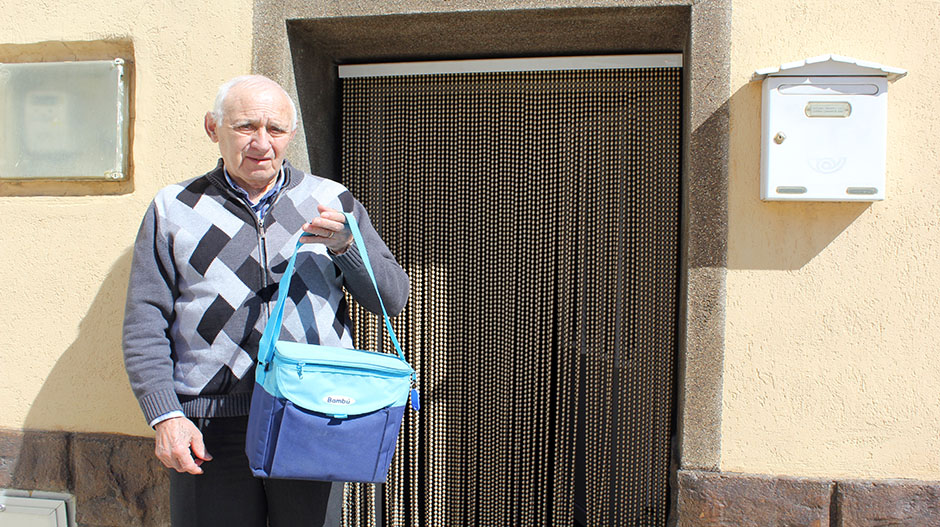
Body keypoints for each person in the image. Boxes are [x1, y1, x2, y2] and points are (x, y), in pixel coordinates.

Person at [122, 74, 409, 527]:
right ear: (212, 128)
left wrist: (345, 247)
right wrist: (166, 416)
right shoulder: (172, 207)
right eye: (245, 127)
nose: (261, 142)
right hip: (207, 424)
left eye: (275, 129)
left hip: (311, 414)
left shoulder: (330, 200)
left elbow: (390, 298)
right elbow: (144, 320)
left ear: (291, 134)